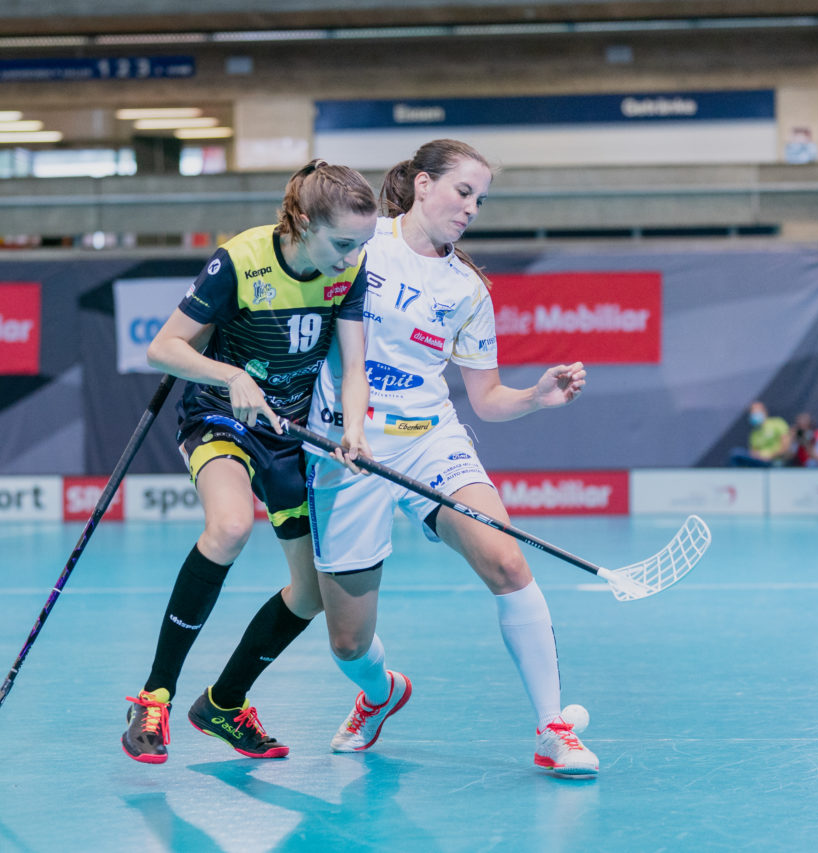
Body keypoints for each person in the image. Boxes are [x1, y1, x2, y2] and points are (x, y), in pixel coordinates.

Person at [304, 139, 598, 777]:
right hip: (346, 447)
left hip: (427, 437)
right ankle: (380, 694)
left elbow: (486, 400)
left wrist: (536, 397)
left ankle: (552, 730)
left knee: (507, 559)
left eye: (480, 200)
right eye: (463, 192)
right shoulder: (361, 243)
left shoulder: (468, 289)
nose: (471, 209)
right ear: (422, 185)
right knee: (348, 642)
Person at [122, 160, 377, 764]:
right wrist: (230, 375)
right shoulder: (240, 260)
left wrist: (355, 432)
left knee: (311, 593)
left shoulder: (349, 271)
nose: (351, 257)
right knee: (231, 525)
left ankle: (224, 703)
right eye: (342, 243)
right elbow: (162, 348)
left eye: (359, 245)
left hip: (290, 434)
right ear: (303, 223)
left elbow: (354, 367)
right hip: (222, 418)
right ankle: (154, 696)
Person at [729, 400, 791, 467]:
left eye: (756, 412)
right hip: (760, 462)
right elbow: (753, 451)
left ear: (764, 412)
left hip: (775, 461)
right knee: (736, 454)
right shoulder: (754, 433)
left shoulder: (777, 423)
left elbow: (786, 447)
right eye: (752, 413)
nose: (754, 414)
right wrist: (757, 456)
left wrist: (770, 456)